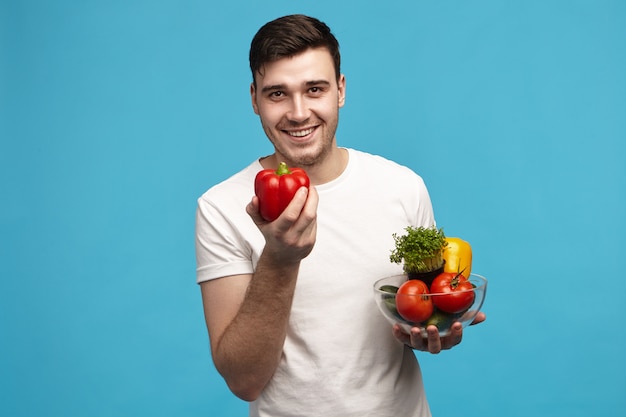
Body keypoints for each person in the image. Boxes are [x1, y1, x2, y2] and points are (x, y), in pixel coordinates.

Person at [195, 14, 485, 417]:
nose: (299, 113)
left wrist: (428, 331)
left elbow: (421, 304)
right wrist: (280, 258)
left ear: (341, 90)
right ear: (254, 99)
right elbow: (243, 380)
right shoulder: (221, 206)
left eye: (315, 89)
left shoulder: (403, 187)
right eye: (277, 94)